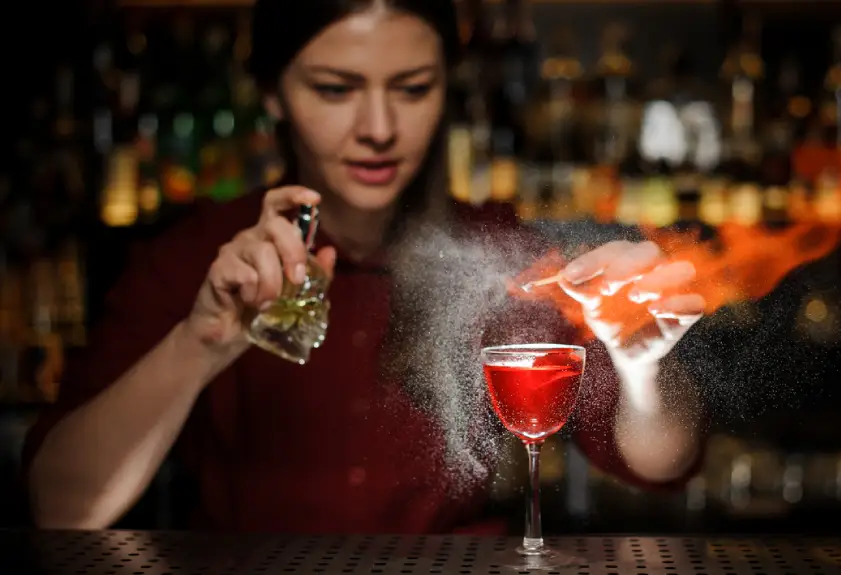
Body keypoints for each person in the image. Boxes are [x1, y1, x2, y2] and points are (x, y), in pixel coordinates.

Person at [23, 0, 707, 533]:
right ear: (271, 93)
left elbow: (660, 463)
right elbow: (59, 505)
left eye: (412, 89)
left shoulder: (500, 255)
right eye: (335, 89)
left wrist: (644, 367)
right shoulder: (195, 257)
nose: (379, 126)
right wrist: (200, 341)